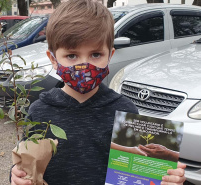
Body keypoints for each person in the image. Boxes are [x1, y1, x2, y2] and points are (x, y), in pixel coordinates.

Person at [10, 0, 186, 184]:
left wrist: (164, 179)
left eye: (96, 54)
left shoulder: (125, 111)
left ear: (110, 55)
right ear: (53, 59)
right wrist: (16, 176)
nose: (85, 66)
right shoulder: (39, 111)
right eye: (71, 55)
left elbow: (138, 175)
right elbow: (27, 162)